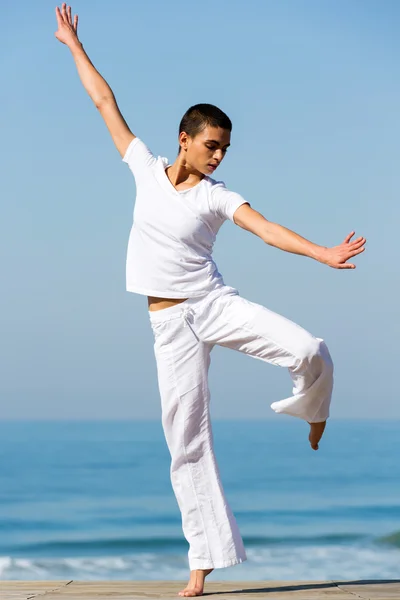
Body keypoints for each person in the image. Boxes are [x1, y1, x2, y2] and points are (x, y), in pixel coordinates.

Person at [54, 4, 366, 597]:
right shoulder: (146, 170)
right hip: (170, 326)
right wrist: (73, 46)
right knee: (186, 442)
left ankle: (313, 407)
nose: (219, 155)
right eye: (212, 145)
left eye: (225, 148)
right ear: (185, 140)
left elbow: (266, 229)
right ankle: (202, 564)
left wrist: (322, 252)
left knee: (310, 348)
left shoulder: (219, 197)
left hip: (215, 304)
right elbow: (104, 103)